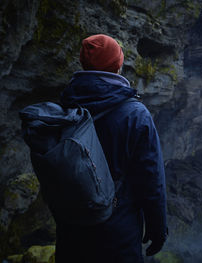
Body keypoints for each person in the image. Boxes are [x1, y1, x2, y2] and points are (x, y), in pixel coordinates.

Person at [56, 34, 168, 263]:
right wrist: (158, 228)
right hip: (119, 235)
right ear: (118, 64)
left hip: (71, 233)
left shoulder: (64, 108)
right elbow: (151, 179)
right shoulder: (135, 114)